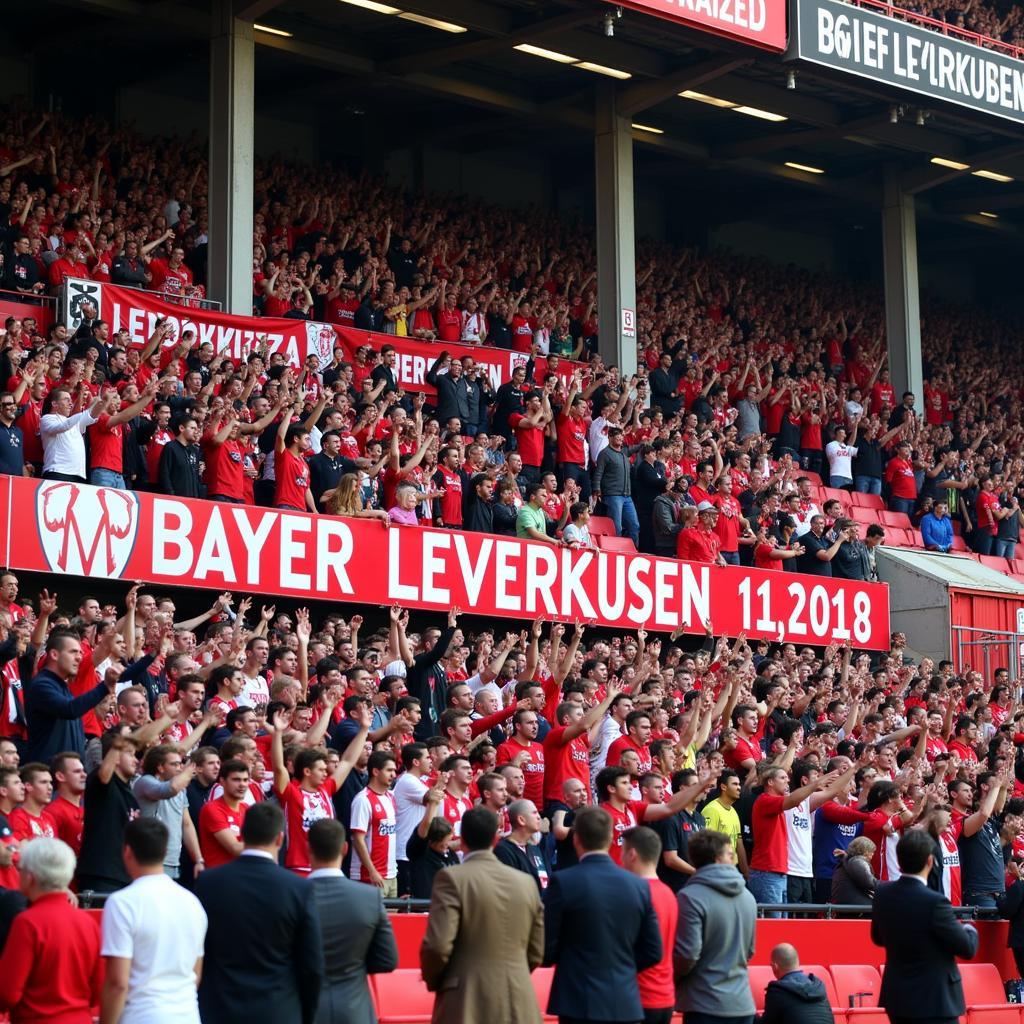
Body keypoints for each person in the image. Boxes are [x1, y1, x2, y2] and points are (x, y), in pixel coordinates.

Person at [193, 802, 324, 1024]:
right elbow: (312, 965)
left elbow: (196, 950)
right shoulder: (299, 888)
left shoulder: (207, 882)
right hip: (279, 1011)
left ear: (241, 835)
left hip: (219, 1010)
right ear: (280, 839)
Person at [420, 807, 545, 1024]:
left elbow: (438, 946)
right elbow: (536, 951)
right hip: (520, 998)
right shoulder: (526, 883)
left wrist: (436, 982)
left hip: (466, 999)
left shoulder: (452, 878)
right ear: (496, 838)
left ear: (463, 839)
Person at [544, 805, 662, 1024]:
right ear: (610, 838)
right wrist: (621, 967)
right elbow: (653, 951)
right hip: (623, 998)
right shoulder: (638, 885)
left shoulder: (563, 882)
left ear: (576, 839)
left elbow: (547, 947)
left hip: (577, 999)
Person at [100, 818, 208, 1024]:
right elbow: (195, 973)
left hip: (141, 1016)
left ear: (127, 851)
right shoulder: (192, 902)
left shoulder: (122, 903)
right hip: (187, 1015)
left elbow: (117, 983)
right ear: (165, 851)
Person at [871, 829, 979, 1024]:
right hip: (935, 1001)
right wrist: (969, 928)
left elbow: (878, 937)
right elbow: (967, 948)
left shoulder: (882, 894)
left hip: (898, 999)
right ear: (930, 861)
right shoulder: (935, 902)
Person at [0, 837, 102, 1023]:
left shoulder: (28, 922)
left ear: (30, 877)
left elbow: (8, 993)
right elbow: (97, 990)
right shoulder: (88, 923)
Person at [307, 819, 399, 1024]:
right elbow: (387, 960)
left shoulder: (291, 898)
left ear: (308, 848)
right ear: (345, 848)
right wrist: (354, 965)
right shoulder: (369, 898)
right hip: (355, 1009)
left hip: (306, 1009)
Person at [675, 829, 757, 1024]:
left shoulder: (690, 897)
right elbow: (750, 951)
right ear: (717, 858)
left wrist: (673, 977)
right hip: (742, 1003)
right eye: (730, 854)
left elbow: (687, 954)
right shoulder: (748, 897)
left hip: (703, 1003)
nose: (734, 858)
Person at [622, 826, 678, 1024]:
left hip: (640, 997)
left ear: (632, 854)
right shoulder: (669, 893)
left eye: (622, 852)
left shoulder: (634, 894)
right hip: (665, 997)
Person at [755, 943, 835, 1024]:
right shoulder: (818, 986)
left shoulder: (778, 991)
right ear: (797, 962)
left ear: (775, 967)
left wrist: (749, 1011)